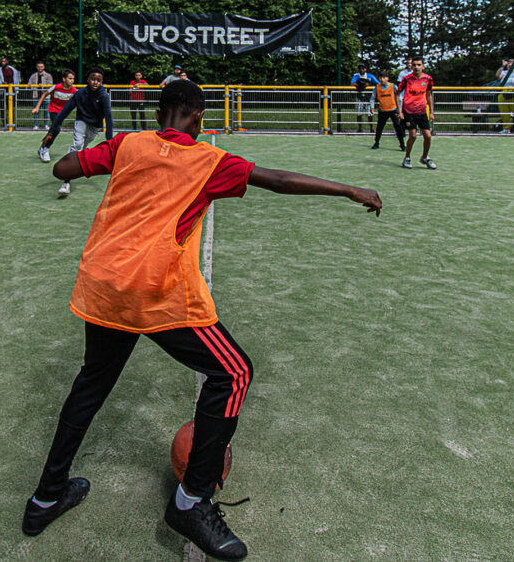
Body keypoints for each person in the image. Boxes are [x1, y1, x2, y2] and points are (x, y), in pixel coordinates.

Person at [22, 80, 382, 560]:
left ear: (160, 114)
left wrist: (93, 157)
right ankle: (191, 501)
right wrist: (350, 189)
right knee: (233, 371)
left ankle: (45, 497)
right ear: (198, 117)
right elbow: (277, 180)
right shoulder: (209, 160)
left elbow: (65, 168)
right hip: (156, 293)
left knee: (91, 384)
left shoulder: (125, 144)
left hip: (104, 284)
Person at [40, 67, 113, 196]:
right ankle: (66, 181)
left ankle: (72, 165)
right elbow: (63, 113)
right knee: (77, 145)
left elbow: (109, 118)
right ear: (87, 80)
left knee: (82, 149)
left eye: (98, 80)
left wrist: (110, 141)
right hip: (81, 121)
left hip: (95, 126)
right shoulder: (79, 94)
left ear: (101, 82)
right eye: (93, 79)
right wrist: (50, 132)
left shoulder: (104, 96)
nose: (95, 82)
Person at [397, 57, 436, 169]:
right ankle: (407, 158)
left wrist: (432, 112)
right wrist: (400, 111)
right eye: (414, 65)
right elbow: (397, 94)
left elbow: (428, 95)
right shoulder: (406, 79)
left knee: (428, 136)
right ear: (411, 66)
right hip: (408, 111)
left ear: (423, 66)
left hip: (421, 111)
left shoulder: (428, 79)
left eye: (419, 65)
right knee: (413, 135)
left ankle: (424, 158)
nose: (416, 67)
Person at [32, 69, 78, 162]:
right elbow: (44, 94)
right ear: (64, 79)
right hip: (53, 110)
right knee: (56, 129)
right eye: (70, 78)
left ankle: (43, 147)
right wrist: (37, 107)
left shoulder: (74, 91)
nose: (72, 81)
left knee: (54, 130)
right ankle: (45, 150)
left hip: (63, 113)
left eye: (73, 79)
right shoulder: (56, 87)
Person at [371, 70, 405, 151]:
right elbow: (372, 98)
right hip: (382, 111)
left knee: (398, 127)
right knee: (379, 128)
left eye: (384, 77)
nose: (382, 79)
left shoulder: (393, 86)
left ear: (387, 78)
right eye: (380, 77)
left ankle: (402, 145)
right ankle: (376, 143)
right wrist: (372, 107)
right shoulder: (377, 87)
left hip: (393, 110)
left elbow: (399, 98)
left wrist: (399, 109)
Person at [351, 63, 379, 133]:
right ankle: (360, 128)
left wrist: (369, 84)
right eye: (360, 68)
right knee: (359, 113)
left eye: (363, 68)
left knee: (370, 113)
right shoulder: (356, 75)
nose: (361, 70)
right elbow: (352, 83)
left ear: (365, 69)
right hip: (359, 96)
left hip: (368, 97)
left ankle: (371, 128)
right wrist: (361, 84)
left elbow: (378, 83)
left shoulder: (370, 76)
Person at [0, 56, 21, 121]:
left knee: (11, 107)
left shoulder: (13, 70)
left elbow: (17, 79)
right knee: (2, 107)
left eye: (4, 61)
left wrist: (13, 84)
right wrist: (1, 83)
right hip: (2, 90)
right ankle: (4, 122)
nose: (3, 63)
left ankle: (12, 121)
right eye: (2, 61)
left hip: (11, 89)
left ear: (7, 62)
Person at [28, 61, 54, 129]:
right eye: (38, 67)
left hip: (46, 96)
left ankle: (46, 125)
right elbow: (29, 83)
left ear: (44, 67)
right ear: (36, 67)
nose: (40, 68)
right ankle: (36, 125)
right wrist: (30, 85)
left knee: (46, 111)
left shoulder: (48, 75)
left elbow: (50, 85)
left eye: (41, 67)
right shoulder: (33, 76)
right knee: (36, 111)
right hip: (36, 95)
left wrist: (44, 86)